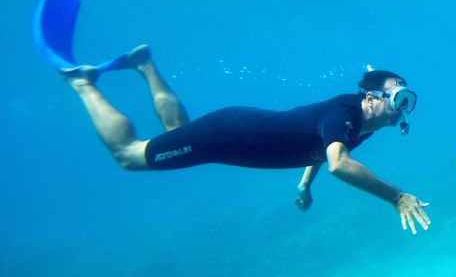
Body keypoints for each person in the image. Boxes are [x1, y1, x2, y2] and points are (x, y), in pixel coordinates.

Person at [61, 46, 431, 235]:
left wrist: (303, 185)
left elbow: (323, 148)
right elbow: (337, 162)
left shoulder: (358, 124)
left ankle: (143, 63)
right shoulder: (344, 114)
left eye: (406, 99)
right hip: (223, 135)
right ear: (370, 97)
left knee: (175, 135)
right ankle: (83, 84)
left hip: (233, 125)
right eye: (397, 98)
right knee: (130, 156)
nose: (403, 107)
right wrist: (396, 197)